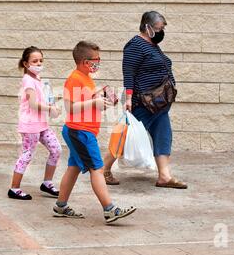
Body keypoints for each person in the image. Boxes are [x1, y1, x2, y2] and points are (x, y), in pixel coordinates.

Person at [53, 41, 136, 224]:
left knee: (73, 168)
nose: (98, 62)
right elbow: (70, 107)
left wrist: (104, 103)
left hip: (81, 132)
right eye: (96, 59)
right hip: (80, 132)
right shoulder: (75, 78)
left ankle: (61, 205)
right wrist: (94, 103)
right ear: (84, 61)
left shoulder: (87, 79)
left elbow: (88, 106)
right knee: (97, 169)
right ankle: (109, 209)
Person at [103, 11, 187, 189]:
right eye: (159, 28)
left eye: (163, 28)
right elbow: (129, 73)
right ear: (147, 27)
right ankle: (104, 169)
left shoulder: (152, 45)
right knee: (124, 136)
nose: (161, 32)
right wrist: (129, 98)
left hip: (160, 104)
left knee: (163, 136)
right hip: (144, 102)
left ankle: (164, 176)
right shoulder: (135, 45)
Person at [9, 46, 62, 200]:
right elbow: (32, 104)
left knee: (56, 149)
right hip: (30, 125)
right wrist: (50, 108)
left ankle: (47, 183)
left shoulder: (38, 80)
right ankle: (14, 188)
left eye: (40, 60)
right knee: (27, 154)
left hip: (42, 124)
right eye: (35, 61)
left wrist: (52, 103)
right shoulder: (28, 80)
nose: (38, 63)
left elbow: (41, 99)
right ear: (26, 64)